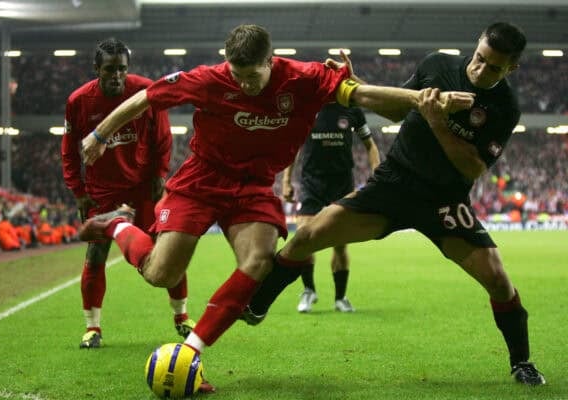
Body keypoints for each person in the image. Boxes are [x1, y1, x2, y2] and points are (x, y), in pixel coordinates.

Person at [77, 24, 473, 382]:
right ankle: (116, 224)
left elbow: (361, 94)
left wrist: (419, 99)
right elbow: (147, 97)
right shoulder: (209, 79)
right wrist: (99, 132)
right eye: (237, 75)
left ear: (272, 61)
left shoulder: (303, 78)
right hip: (201, 179)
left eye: (253, 76)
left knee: (258, 262)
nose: (245, 84)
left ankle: (190, 352)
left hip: (252, 186)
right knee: (161, 273)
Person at [243, 22, 545, 385]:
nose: (481, 70)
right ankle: (256, 305)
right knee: (307, 236)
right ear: (475, 45)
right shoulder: (438, 66)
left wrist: (436, 121)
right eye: (480, 58)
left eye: (494, 67)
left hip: (444, 200)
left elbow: (471, 167)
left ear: (511, 68)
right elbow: (396, 110)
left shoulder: (505, 108)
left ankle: (522, 362)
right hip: (394, 184)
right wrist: (358, 88)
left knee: (497, 280)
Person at [61, 37, 196, 349]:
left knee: (166, 248)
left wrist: (160, 173)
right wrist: (78, 191)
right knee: (95, 254)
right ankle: (92, 329)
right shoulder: (78, 102)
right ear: (97, 69)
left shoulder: (145, 91)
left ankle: (182, 316)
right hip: (101, 193)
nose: (117, 75)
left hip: (141, 187)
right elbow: (69, 151)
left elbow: (163, 136)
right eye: (109, 69)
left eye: (121, 69)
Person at [281, 102, 380, 313]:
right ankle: (309, 290)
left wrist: (377, 174)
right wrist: (286, 181)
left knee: (341, 245)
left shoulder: (352, 110)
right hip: (311, 184)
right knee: (303, 237)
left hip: (342, 185)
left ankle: (340, 298)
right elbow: (294, 146)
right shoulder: (307, 107)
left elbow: (370, 145)